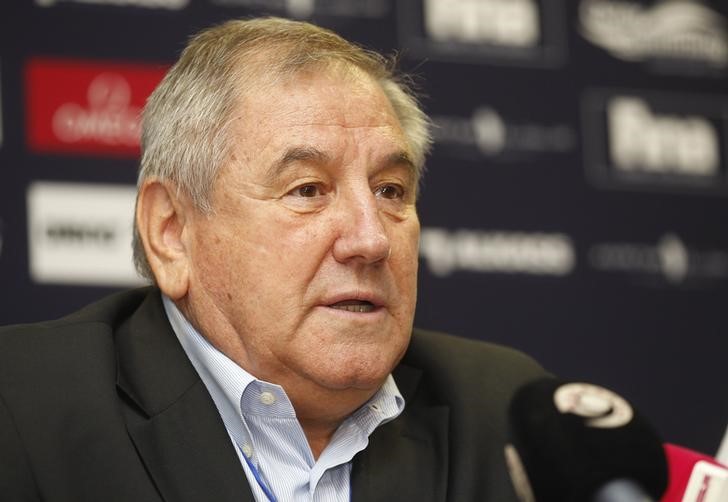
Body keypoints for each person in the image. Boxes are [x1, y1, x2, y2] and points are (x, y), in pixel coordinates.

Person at [0, 17, 546, 502]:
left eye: (391, 191)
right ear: (172, 232)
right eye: (308, 190)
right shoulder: (24, 408)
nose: (371, 239)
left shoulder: (504, 413)